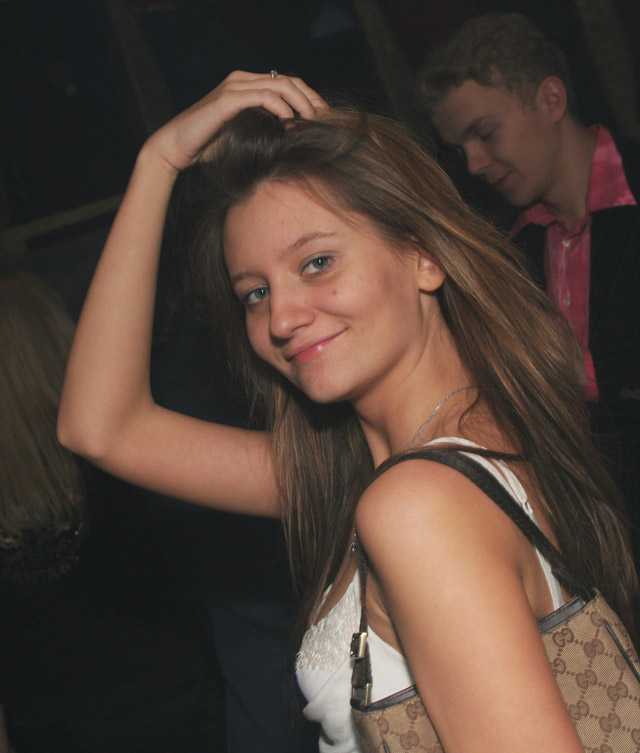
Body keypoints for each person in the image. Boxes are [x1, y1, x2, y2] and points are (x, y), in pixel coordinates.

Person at [58, 71, 637, 753]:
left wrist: (158, 161)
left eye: (317, 262)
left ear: (422, 256)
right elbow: (100, 427)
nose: (281, 317)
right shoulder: (433, 451)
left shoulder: (419, 503)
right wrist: (159, 161)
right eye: (253, 293)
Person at [417, 11, 640, 554]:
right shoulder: (507, 249)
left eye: (485, 133)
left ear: (551, 99)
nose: (474, 163)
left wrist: (572, 372)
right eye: (460, 147)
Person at [0, 268, 225, 753]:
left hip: (50, 719)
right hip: (165, 694)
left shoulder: (116, 448)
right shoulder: (124, 454)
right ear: (58, 339)